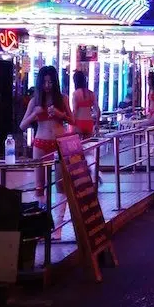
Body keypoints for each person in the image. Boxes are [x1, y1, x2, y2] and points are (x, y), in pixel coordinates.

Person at [19, 66, 73, 237]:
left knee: (60, 184)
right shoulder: (35, 101)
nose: (48, 85)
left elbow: (72, 120)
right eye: (45, 82)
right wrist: (34, 115)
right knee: (39, 186)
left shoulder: (62, 99)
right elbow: (22, 125)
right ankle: (41, 226)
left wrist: (60, 114)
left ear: (55, 82)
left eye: (51, 82)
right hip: (40, 143)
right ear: (40, 82)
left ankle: (58, 226)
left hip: (59, 143)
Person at [71, 70, 99, 139]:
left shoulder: (76, 93)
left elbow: (75, 111)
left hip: (78, 122)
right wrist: (97, 124)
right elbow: (98, 110)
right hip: (89, 122)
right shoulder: (91, 93)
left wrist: (71, 122)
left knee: (77, 146)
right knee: (87, 145)